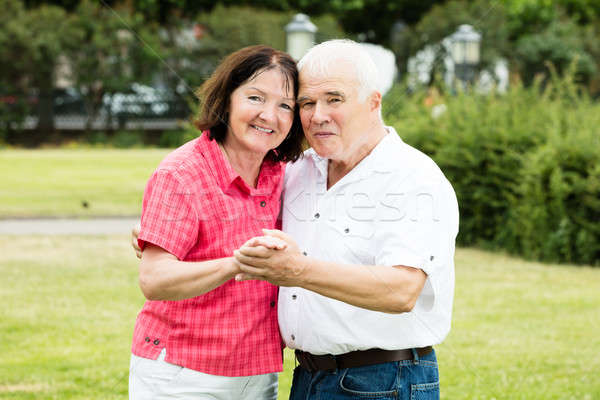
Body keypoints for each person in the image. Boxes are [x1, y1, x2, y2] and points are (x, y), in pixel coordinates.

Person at [233, 39, 459, 399]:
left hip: (383, 381)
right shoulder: (298, 170)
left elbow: (402, 291)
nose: (317, 115)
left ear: (373, 103)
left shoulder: (412, 177)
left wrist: (296, 271)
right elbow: (240, 212)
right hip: (307, 378)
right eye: (306, 102)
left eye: (334, 99)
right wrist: (167, 230)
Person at [128, 45, 303, 400]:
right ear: (226, 100)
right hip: (182, 373)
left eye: (285, 105)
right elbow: (154, 279)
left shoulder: (283, 174)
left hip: (257, 371)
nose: (269, 115)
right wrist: (238, 264)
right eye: (255, 97)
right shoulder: (182, 173)